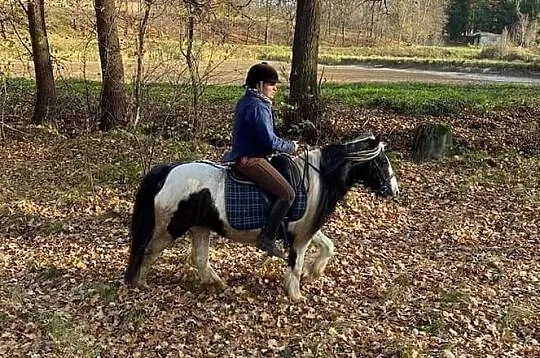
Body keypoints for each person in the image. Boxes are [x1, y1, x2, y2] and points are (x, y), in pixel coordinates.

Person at [223, 62, 298, 258]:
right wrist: (291, 146)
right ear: (259, 85)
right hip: (251, 160)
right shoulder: (257, 106)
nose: (275, 88)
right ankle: (267, 238)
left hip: (251, 154)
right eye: (271, 84)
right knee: (288, 194)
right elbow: (269, 140)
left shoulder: (248, 101)